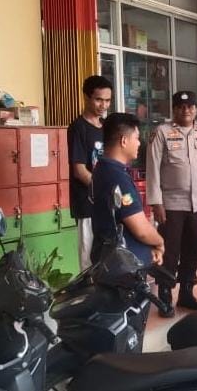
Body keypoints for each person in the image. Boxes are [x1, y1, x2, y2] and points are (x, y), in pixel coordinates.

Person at [146, 91, 197, 316]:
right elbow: (152, 168)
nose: (186, 110)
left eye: (190, 107)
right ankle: (165, 297)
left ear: (196, 110)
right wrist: (156, 202)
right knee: (169, 252)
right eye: (180, 107)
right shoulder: (162, 132)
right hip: (171, 204)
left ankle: (186, 294)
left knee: (193, 250)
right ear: (174, 110)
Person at [91, 113, 164, 267]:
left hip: (111, 259)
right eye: (136, 138)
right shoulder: (116, 176)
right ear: (124, 141)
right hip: (123, 266)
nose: (139, 143)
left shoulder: (102, 169)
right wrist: (159, 242)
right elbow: (141, 230)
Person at [67, 75, 112, 270]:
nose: (104, 105)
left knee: (110, 260)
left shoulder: (108, 128)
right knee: (89, 263)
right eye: (99, 99)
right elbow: (79, 170)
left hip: (109, 205)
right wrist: (104, 189)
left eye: (108, 100)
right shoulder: (78, 128)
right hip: (87, 205)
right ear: (86, 97)